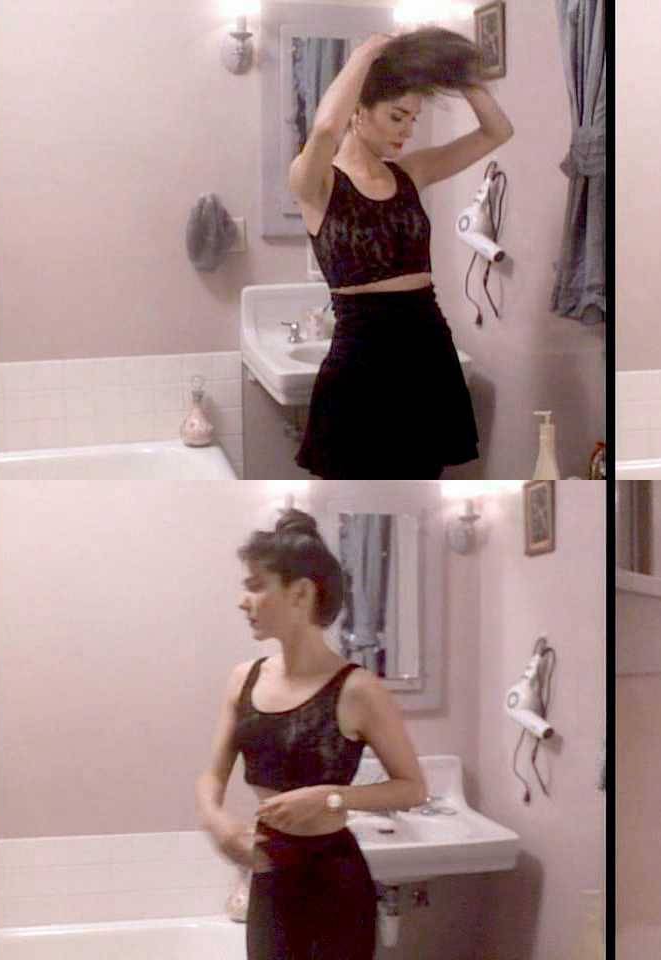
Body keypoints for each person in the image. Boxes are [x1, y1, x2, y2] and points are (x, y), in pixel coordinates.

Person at [196, 509, 428, 959]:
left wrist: (331, 797)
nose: (243, 601)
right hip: (270, 876)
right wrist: (216, 821)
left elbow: (412, 788)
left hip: (335, 884)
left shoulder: (358, 689)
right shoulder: (244, 678)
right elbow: (212, 776)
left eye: (256, 585)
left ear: (300, 593)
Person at [291, 28, 514, 479]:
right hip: (359, 368)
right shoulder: (316, 183)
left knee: (423, 491)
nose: (408, 131)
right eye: (397, 117)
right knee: (356, 493)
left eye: (413, 118)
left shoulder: (412, 172)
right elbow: (325, 129)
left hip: (428, 356)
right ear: (359, 111)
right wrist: (366, 53)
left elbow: (498, 131)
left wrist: (458, 72)